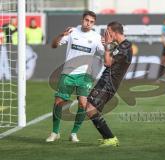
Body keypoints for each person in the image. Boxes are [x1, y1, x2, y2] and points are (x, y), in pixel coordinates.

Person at [46, 11, 104, 143]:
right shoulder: (72, 31)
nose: (88, 23)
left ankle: (74, 133)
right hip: (68, 73)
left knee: (83, 104)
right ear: (82, 20)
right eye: (86, 20)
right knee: (58, 102)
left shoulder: (96, 37)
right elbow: (54, 45)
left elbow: (105, 52)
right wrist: (61, 35)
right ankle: (55, 132)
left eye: (91, 22)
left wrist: (108, 45)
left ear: (94, 23)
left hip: (85, 75)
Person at [85, 21, 132, 147]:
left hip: (109, 82)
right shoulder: (121, 45)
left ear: (114, 33)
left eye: (108, 32)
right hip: (106, 80)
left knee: (90, 108)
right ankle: (108, 137)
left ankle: (110, 138)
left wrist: (107, 46)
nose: (107, 34)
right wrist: (108, 45)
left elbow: (108, 62)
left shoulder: (125, 47)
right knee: (90, 106)